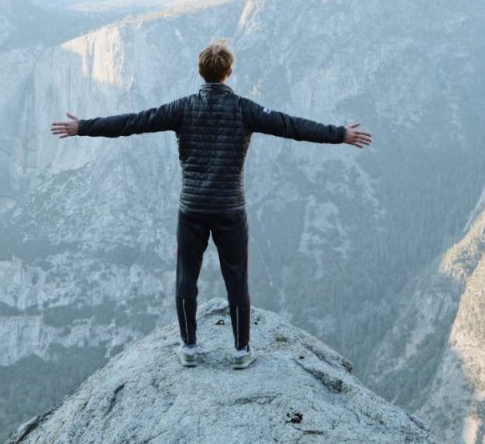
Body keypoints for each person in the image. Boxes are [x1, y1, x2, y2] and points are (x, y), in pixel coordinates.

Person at [50, 39, 372, 370]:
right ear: (229, 72)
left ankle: (189, 348)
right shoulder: (246, 110)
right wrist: (339, 134)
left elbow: (133, 122)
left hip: (192, 208)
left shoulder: (182, 108)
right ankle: (241, 350)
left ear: (200, 72)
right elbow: (292, 126)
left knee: (186, 275)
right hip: (230, 209)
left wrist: (82, 127)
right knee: (237, 279)